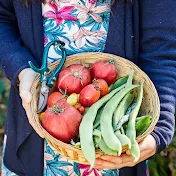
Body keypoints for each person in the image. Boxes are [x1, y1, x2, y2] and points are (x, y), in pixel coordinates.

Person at [0, 0, 175, 175]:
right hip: (31, 136)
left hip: (113, 155)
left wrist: (159, 130)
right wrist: (22, 69)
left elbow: (160, 50)